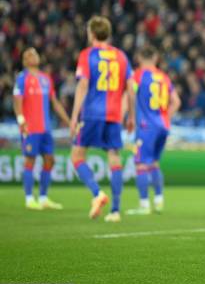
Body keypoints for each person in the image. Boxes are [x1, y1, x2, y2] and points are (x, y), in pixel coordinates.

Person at [70, 16, 135, 222]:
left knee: (78, 157)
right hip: (115, 115)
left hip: (91, 114)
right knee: (115, 159)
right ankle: (115, 211)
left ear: (91, 33)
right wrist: (131, 115)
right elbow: (131, 90)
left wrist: (74, 116)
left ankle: (97, 194)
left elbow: (82, 85)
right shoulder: (121, 57)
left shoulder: (87, 55)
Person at [13, 48, 70, 210]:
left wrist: (68, 120)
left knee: (49, 160)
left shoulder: (46, 79)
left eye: (35, 53)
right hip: (30, 127)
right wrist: (20, 119)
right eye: (29, 55)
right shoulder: (22, 78)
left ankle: (44, 197)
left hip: (46, 128)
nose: (34, 56)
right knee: (30, 160)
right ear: (24, 61)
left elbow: (55, 102)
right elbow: (17, 100)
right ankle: (29, 198)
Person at [127, 46, 181, 215]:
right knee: (154, 163)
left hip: (146, 126)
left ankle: (144, 205)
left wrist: (130, 117)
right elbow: (176, 102)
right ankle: (158, 201)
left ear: (139, 58)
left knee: (141, 164)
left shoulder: (138, 75)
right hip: (163, 126)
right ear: (156, 58)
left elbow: (130, 93)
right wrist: (165, 117)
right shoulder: (164, 77)